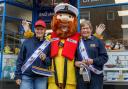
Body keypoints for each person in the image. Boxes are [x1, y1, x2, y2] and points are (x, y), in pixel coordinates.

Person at [15, 19, 51, 89]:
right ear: (34, 29)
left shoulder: (48, 44)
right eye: (38, 29)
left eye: (41, 29)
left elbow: (50, 62)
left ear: (45, 30)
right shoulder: (27, 42)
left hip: (41, 77)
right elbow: (20, 59)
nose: (39, 31)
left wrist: (45, 59)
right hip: (26, 76)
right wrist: (18, 76)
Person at [75, 19, 108, 89]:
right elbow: (73, 57)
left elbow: (104, 57)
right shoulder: (77, 43)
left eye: (87, 28)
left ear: (91, 29)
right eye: (83, 28)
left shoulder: (98, 41)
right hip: (81, 77)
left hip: (96, 76)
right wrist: (75, 63)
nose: (85, 30)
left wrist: (93, 61)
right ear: (80, 31)